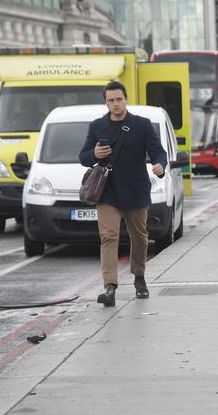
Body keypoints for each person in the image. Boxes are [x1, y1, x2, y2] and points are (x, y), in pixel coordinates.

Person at [79, 80, 167, 306]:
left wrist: (160, 165)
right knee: (108, 237)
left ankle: (139, 276)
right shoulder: (97, 126)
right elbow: (83, 157)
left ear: (126, 99)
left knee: (139, 237)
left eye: (119, 99)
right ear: (106, 103)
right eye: (111, 100)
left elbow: (158, 152)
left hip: (136, 190)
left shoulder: (142, 125)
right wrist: (95, 153)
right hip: (107, 192)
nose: (116, 104)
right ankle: (110, 287)